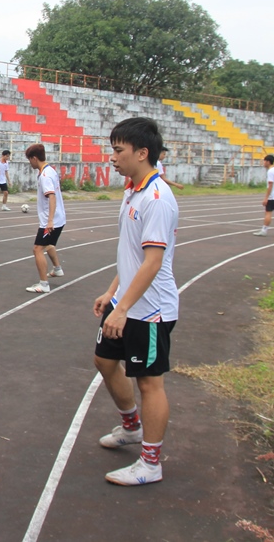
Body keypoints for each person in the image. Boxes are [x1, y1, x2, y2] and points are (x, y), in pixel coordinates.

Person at [93, 116, 180, 486]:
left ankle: (150, 463)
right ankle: (131, 426)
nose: (111, 157)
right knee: (104, 361)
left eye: (118, 150)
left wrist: (124, 308)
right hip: (127, 301)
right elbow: (132, 253)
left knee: (149, 382)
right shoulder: (133, 190)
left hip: (150, 310)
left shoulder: (157, 199)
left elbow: (153, 261)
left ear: (142, 153)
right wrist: (113, 292)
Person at [24, 144, 66, 293]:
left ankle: (44, 284)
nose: (30, 163)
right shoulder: (50, 170)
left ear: (34, 158)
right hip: (58, 218)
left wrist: (49, 221)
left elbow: (51, 197)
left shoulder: (45, 175)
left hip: (52, 220)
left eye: (30, 160)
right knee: (48, 245)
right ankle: (57, 269)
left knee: (37, 249)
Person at [253, 154, 274, 237]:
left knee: (268, 213)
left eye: (264, 161)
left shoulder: (270, 171)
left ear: (268, 162)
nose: (263, 163)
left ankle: (264, 230)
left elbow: (270, 185)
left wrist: (266, 198)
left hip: (273, 195)